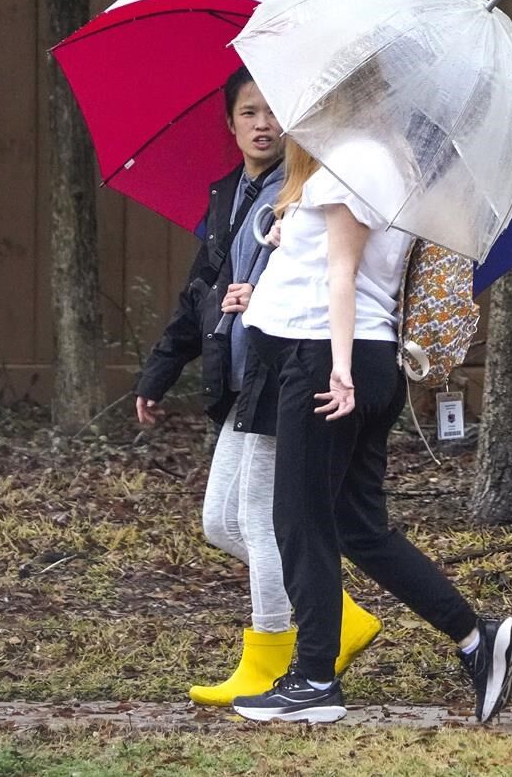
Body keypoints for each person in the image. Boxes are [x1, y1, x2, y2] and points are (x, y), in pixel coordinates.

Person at [233, 138, 512, 724]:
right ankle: (475, 639)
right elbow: (340, 264)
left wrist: (337, 371)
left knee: (299, 520)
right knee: (358, 528)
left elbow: (344, 273)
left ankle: (313, 680)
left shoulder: (356, 161)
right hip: (357, 356)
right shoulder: (385, 164)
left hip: (329, 361)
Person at [133, 67, 380, 706]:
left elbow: (317, 278)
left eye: (275, 111)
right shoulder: (228, 194)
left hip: (286, 367)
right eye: (249, 112)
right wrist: (162, 369)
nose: (263, 124)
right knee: (221, 521)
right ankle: (336, 613)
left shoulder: (302, 188)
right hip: (242, 374)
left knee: (263, 520)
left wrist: (255, 293)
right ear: (231, 123)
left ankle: (273, 656)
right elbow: (202, 290)